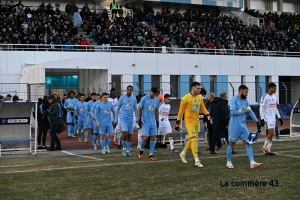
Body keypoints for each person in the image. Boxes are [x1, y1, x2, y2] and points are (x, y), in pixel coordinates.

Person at [226, 85, 262, 169]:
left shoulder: (245, 101)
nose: (247, 94)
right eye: (246, 92)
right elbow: (233, 112)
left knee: (248, 142)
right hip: (234, 126)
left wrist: (257, 121)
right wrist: (243, 111)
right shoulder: (234, 100)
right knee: (231, 144)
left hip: (243, 126)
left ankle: (252, 162)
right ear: (241, 91)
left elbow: (250, 111)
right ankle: (228, 161)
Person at [176, 82, 210, 168]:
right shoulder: (185, 98)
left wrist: (208, 115)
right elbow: (180, 111)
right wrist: (177, 122)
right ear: (193, 88)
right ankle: (197, 160)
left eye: (200, 88)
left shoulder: (200, 97)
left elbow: (203, 107)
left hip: (196, 122)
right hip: (188, 121)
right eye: (198, 88)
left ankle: (183, 153)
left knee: (192, 139)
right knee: (194, 139)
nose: (200, 90)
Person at [260, 82, 283, 155]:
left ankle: (268, 149)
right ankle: (264, 146)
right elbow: (261, 108)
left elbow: (275, 108)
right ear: (270, 88)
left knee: (271, 134)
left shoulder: (274, 97)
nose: (275, 89)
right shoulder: (264, 97)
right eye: (274, 88)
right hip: (267, 118)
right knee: (271, 133)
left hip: (273, 118)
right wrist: (262, 119)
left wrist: (279, 117)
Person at [137, 87, 160, 161]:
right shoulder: (144, 99)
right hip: (145, 122)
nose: (153, 95)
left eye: (155, 94)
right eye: (152, 94)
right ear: (150, 91)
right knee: (145, 138)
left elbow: (156, 110)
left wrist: (157, 121)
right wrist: (139, 119)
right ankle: (141, 150)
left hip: (153, 122)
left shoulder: (156, 100)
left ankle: (151, 155)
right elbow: (139, 109)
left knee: (153, 137)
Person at [115, 85, 138, 157]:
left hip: (130, 119)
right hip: (123, 119)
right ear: (126, 90)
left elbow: (135, 108)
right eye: (128, 90)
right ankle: (124, 149)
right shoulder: (122, 98)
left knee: (129, 135)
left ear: (132, 91)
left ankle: (128, 150)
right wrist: (116, 119)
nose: (129, 91)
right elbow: (117, 108)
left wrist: (137, 118)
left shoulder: (134, 98)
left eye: (130, 90)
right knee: (124, 133)